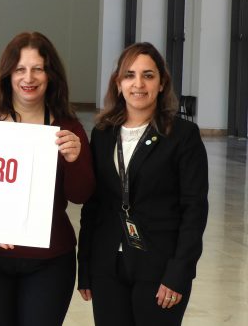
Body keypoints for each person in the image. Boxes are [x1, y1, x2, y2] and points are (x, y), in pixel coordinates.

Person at [0, 32, 94, 326]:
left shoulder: (67, 126)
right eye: (20, 69)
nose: (28, 77)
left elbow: (81, 194)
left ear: (51, 75)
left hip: (49, 261)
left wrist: (75, 160)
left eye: (38, 68)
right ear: (7, 74)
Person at [77, 42, 208, 326]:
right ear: (118, 83)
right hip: (107, 266)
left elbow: (194, 210)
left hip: (159, 268)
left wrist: (180, 272)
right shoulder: (102, 133)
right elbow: (94, 205)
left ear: (162, 84)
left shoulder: (183, 135)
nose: (138, 84)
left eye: (148, 75)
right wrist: (84, 265)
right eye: (130, 75)